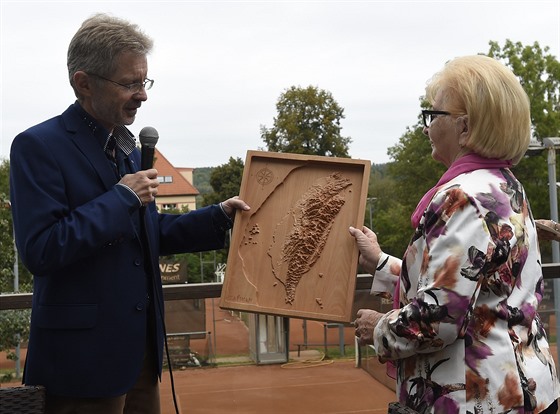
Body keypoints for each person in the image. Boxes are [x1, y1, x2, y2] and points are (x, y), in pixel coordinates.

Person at [9, 13, 249, 414]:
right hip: (81, 366)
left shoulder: (128, 150)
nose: (143, 94)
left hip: (139, 355)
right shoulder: (37, 146)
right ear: (83, 83)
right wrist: (121, 198)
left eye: (144, 81)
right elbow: (41, 249)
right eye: (130, 84)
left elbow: (147, 231)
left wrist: (219, 217)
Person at [350, 55, 560, 413]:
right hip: (519, 390)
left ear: (465, 127)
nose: (425, 127)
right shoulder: (503, 186)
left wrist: (379, 328)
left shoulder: (460, 197)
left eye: (433, 116)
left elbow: (440, 317)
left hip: (479, 398)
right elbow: (472, 284)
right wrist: (381, 263)